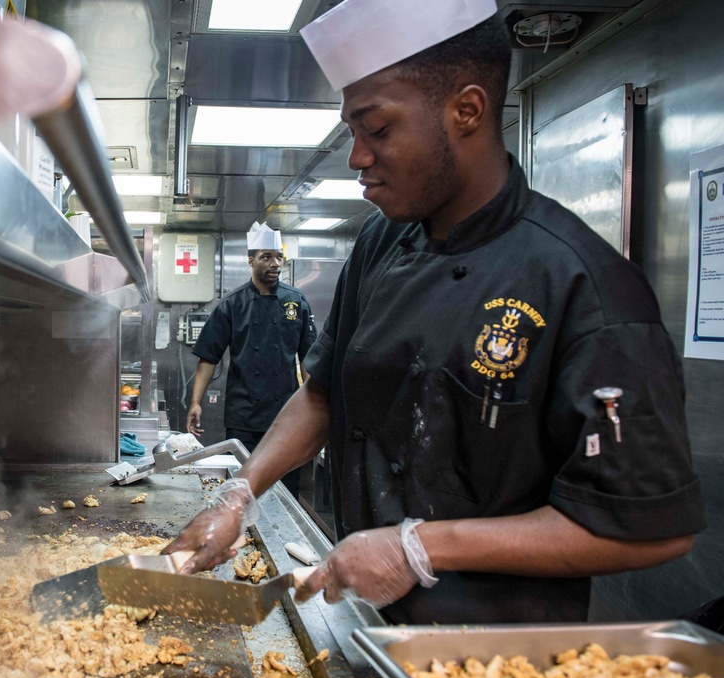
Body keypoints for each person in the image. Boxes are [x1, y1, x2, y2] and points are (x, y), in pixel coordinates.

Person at [162, 0, 705, 625]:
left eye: (378, 129)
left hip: (488, 655)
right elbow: (324, 392)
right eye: (353, 132)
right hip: (367, 621)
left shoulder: (584, 286)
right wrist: (242, 490)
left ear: (466, 111)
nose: (357, 157)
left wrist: (419, 548)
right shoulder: (379, 244)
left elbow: (649, 526)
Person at [186, 222, 316, 498]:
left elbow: (308, 359)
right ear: (251, 260)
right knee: (242, 488)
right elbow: (208, 357)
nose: (275, 263)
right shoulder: (232, 305)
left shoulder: (297, 302)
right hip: (243, 415)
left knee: (285, 491)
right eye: (266, 257)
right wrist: (196, 402)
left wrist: (313, 404)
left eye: (278, 256)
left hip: (287, 416)